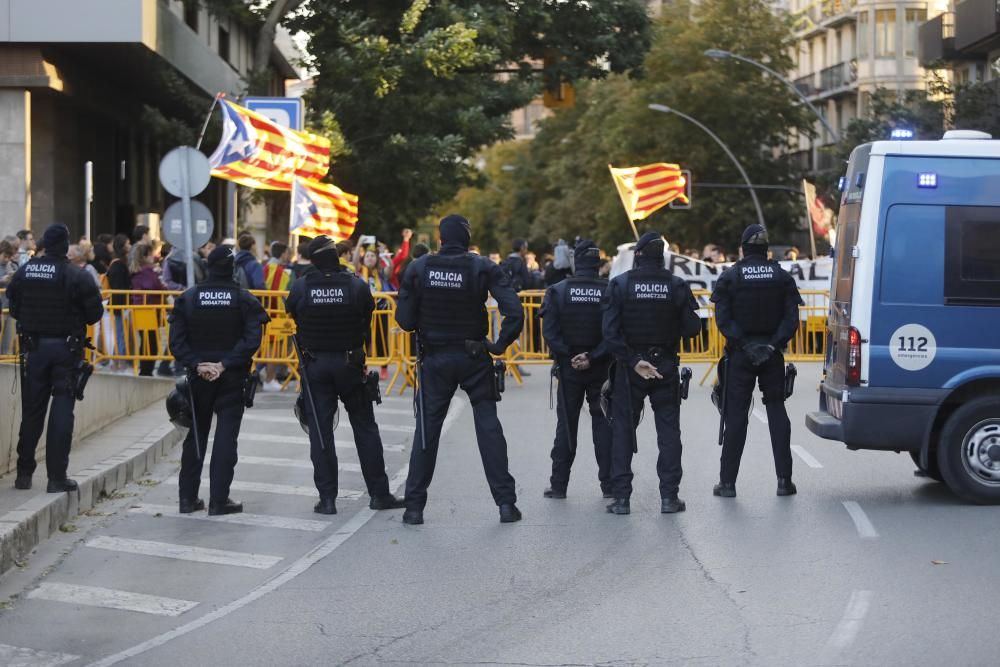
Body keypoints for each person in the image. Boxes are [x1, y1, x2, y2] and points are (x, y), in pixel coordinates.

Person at [395, 214, 524, 525]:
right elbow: (515, 312)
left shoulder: (420, 267)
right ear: (467, 239)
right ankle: (506, 505)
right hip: (474, 356)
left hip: (436, 359)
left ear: (441, 239)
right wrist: (498, 345)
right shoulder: (483, 267)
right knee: (489, 427)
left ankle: (414, 508)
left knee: (427, 431)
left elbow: (406, 321)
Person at [285, 235, 406, 514]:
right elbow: (367, 315)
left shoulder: (302, 287)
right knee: (365, 428)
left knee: (321, 433)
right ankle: (379, 494)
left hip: (315, 366)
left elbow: (292, 312)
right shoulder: (355, 285)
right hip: (350, 364)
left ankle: (327, 499)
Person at [602, 231, 701, 516]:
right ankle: (669, 498)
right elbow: (693, 328)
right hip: (664, 366)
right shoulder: (677, 285)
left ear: (639, 255)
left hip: (630, 368)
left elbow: (610, 332)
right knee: (668, 432)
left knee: (622, 430)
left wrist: (633, 360)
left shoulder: (620, 285)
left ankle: (621, 500)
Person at [168, 246, 269, 515]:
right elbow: (252, 340)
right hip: (231, 377)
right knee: (226, 438)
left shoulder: (188, 299)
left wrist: (198, 364)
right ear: (232, 268)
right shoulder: (243, 299)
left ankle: (187, 499)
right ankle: (218, 501)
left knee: (196, 436)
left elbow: (176, 342)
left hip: (199, 378)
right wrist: (224, 365)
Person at [6, 223, 103, 492]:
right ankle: (56, 478)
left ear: (45, 244)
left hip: (33, 350)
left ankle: (24, 475)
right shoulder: (76, 275)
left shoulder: (25, 271)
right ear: (65, 245)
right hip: (65, 351)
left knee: (32, 411)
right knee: (62, 410)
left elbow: (13, 306)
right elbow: (94, 313)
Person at [711, 224, 803, 498]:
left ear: (743, 249)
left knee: (736, 416)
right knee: (776, 411)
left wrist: (745, 345)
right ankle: (784, 481)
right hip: (772, 355)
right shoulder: (782, 277)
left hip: (741, 354)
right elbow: (791, 319)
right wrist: (772, 345)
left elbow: (723, 319)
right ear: (766, 250)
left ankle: (727, 484)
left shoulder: (731, 277)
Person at [540, 240, 612, 499]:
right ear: (598, 263)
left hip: (569, 368)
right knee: (604, 425)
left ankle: (559, 486)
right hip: (601, 367)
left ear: (575, 261)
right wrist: (592, 356)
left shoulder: (558, 291)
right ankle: (610, 486)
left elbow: (549, 331)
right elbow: (614, 332)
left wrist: (570, 356)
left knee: (566, 426)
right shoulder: (610, 290)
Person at [129, 242, 169, 376]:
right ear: (146, 256)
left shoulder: (139, 271)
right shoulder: (147, 272)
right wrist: (163, 286)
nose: (154, 257)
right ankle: (146, 372)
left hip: (143, 310)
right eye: (152, 254)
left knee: (148, 343)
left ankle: (145, 371)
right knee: (150, 344)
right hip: (147, 311)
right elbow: (155, 286)